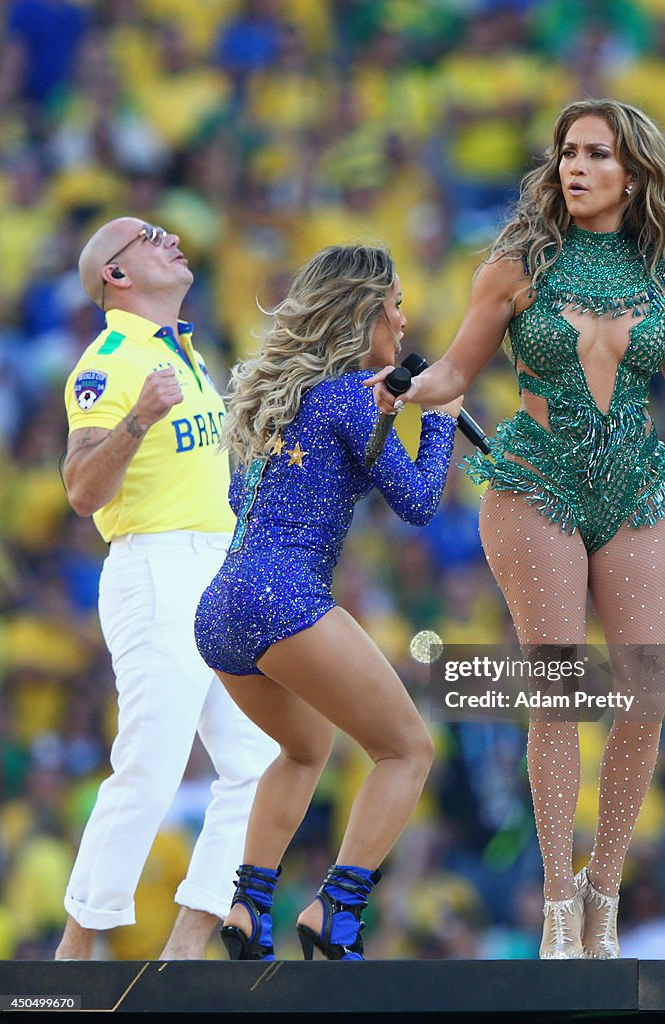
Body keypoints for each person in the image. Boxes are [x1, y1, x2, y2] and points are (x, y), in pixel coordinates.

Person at [368, 97, 665, 960]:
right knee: (562, 690)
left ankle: (601, 894)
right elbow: (457, 370)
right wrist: (402, 388)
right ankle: (555, 908)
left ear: (632, 170)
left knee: (646, 693)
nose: (575, 166)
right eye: (567, 152)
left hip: (633, 487)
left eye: (596, 154)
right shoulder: (517, 263)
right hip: (537, 481)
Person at [194, 244, 462, 961]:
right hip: (286, 598)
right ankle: (337, 908)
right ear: (362, 313)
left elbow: (243, 496)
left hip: (220, 608)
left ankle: (250, 908)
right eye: (395, 306)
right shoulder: (348, 397)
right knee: (407, 750)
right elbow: (418, 503)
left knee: (305, 749)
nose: (404, 324)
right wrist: (438, 413)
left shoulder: (262, 398)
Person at [56, 216, 279, 961]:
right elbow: (82, 489)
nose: (172, 238)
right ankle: (75, 951)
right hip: (156, 566)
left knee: (260, 762)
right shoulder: (112, 359)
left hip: (215, 566)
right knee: (150, 763)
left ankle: (188, 945)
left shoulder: (184, 354)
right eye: (149, 236)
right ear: (116, 276)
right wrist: (137, 421)